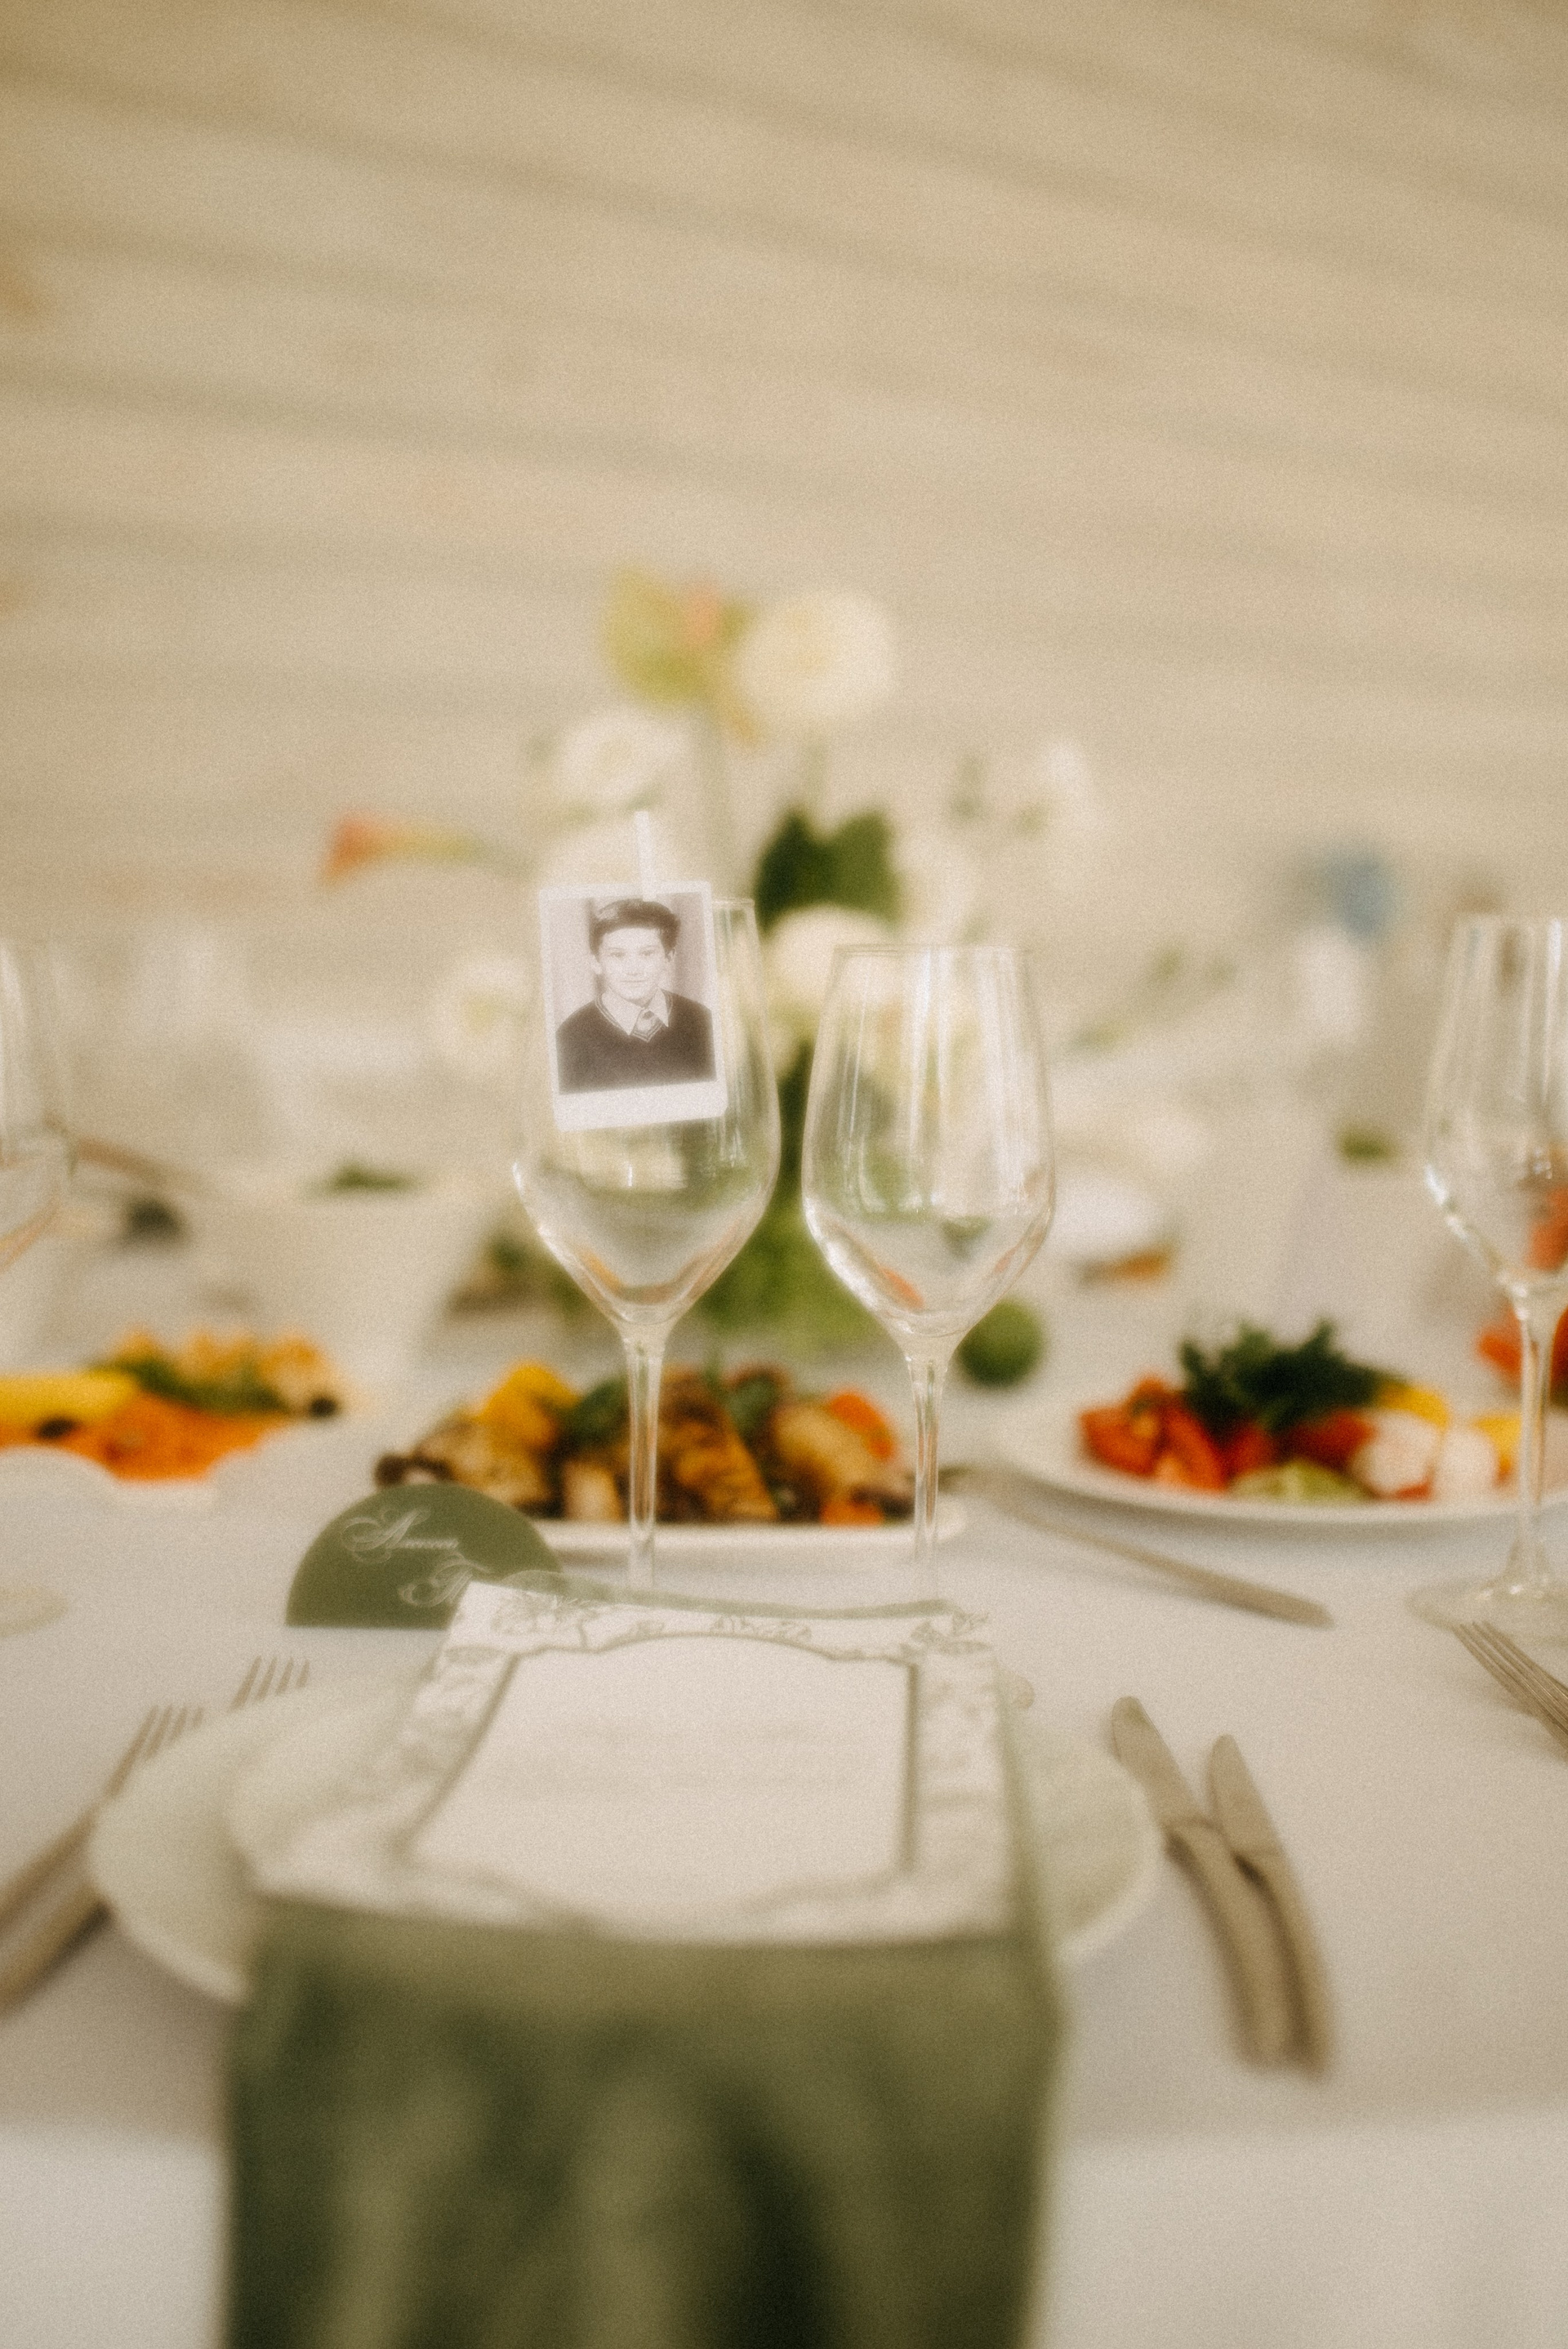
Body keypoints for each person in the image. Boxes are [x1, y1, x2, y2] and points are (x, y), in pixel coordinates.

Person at [555, 898, 716, 1093]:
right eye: (617, 955)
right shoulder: (570, 1037)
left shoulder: (702, 1021)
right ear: (596, 962)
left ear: (668, 958)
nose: (633, 970)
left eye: (647, 954)